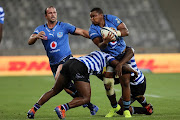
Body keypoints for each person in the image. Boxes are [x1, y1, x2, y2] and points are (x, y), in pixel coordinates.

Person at [27, 6, 98, 117]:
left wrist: (96, 37)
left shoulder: (64, 26)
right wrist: (36, 36)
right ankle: (90, 105)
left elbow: (82, 32)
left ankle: (73, 105)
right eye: (50, 13)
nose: (53, 14)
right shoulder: (41, 29)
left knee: (57, 80)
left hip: (67, 60)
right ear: (46, 16)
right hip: (53, 64)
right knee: (63, 87)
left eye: (54, 12)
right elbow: (30, 41)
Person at [27, 51, 138, 119]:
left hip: (69, 63)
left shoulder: (96, 54)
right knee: (85, 98)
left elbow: (102, 76)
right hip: (80, 67)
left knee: (54, 90)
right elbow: (119, 65)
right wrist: (134, 72)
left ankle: (33, 110)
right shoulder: (108, 57)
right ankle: (62, 108)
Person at [89, 7, 132, 118]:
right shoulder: (92, 29)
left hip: (123, 54)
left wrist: (115, 33)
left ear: (101, 15)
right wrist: (106, 41)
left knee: (125, 82)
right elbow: (100, 45)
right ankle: (114, 107)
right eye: (90, 17)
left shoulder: (112, 19)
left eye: (94, 16)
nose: (91, 19)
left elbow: (126, 32)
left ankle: (126, 110)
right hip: (110, 58)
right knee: (108, 84)